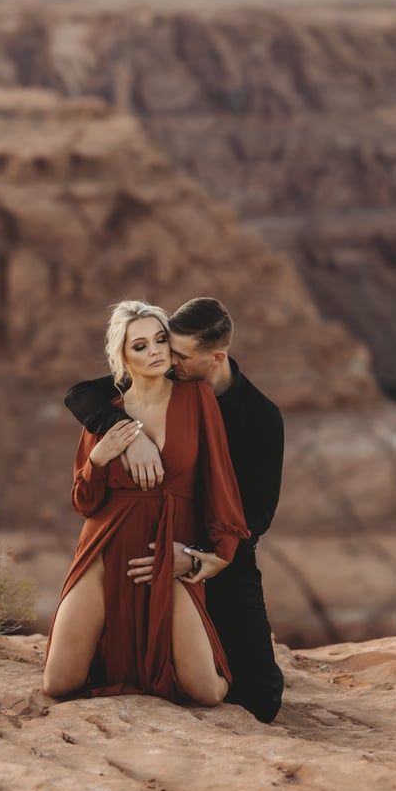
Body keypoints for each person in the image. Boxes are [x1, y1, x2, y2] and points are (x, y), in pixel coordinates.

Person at [64, 297, 285, 723]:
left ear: (215, 358)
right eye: (154, 346)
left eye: (176, 353)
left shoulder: (260, 417)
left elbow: (257, 513)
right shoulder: (155, 385)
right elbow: (82, 394)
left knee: (258, 697)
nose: (165, 360)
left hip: (216, 555)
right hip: (144, 539)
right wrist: (123, 433)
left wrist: (199, 554)